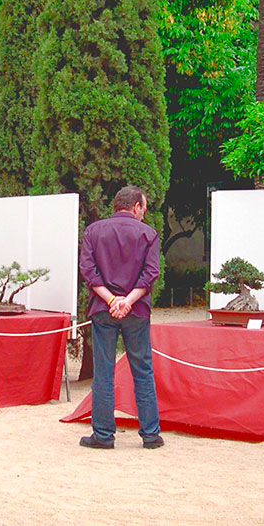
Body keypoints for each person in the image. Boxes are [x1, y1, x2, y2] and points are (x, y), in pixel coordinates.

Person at [78, 185, 164, 450]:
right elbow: (150, 273)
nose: (144, 213)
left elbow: (88, 271)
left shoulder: (93, 231)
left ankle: (103, 435)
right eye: (144, 208)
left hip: (103, 310)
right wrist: (127, 301)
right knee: (143, 370)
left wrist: (112, 300)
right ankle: (150, 435)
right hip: (136, 311)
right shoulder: (148, 234)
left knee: (103, 372)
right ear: (136, 206)